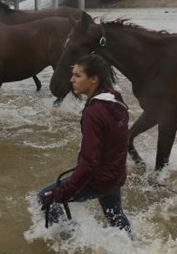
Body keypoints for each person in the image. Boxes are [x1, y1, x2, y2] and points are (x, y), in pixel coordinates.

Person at [38, 54, 131, 232]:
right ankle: (133, 250)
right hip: (115, 174)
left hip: (100, 178)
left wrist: (64, 192)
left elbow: (90, 162)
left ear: (94, 79)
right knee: (115, 215)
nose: (71, 80)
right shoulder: (115, 98)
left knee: (45, 197)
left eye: (78, 75)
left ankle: (67, 244)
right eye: (72, 74)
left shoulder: (93, 113)